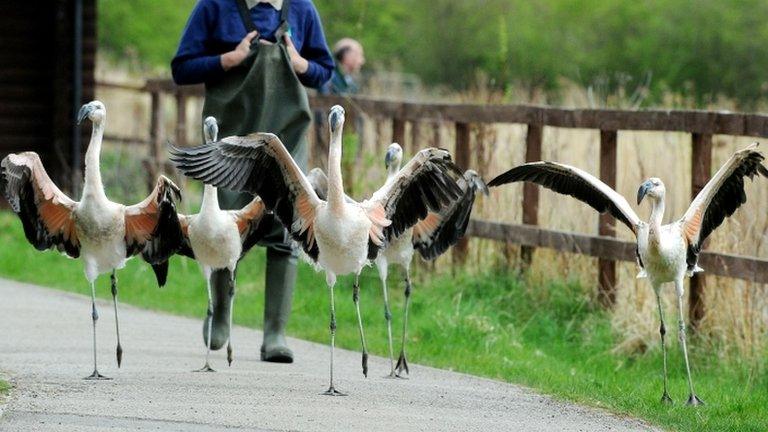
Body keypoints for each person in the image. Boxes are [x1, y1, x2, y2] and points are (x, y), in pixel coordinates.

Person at [171, 0, 334, 363]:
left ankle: (275, 335)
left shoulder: (302, 10)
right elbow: (181, 68)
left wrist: (300, 64)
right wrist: (226, 60)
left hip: (287, 144)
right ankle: (221, 318)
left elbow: (324, 72)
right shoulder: (214, 7)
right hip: (231, 144)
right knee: (224, 230)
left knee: (287, 232)